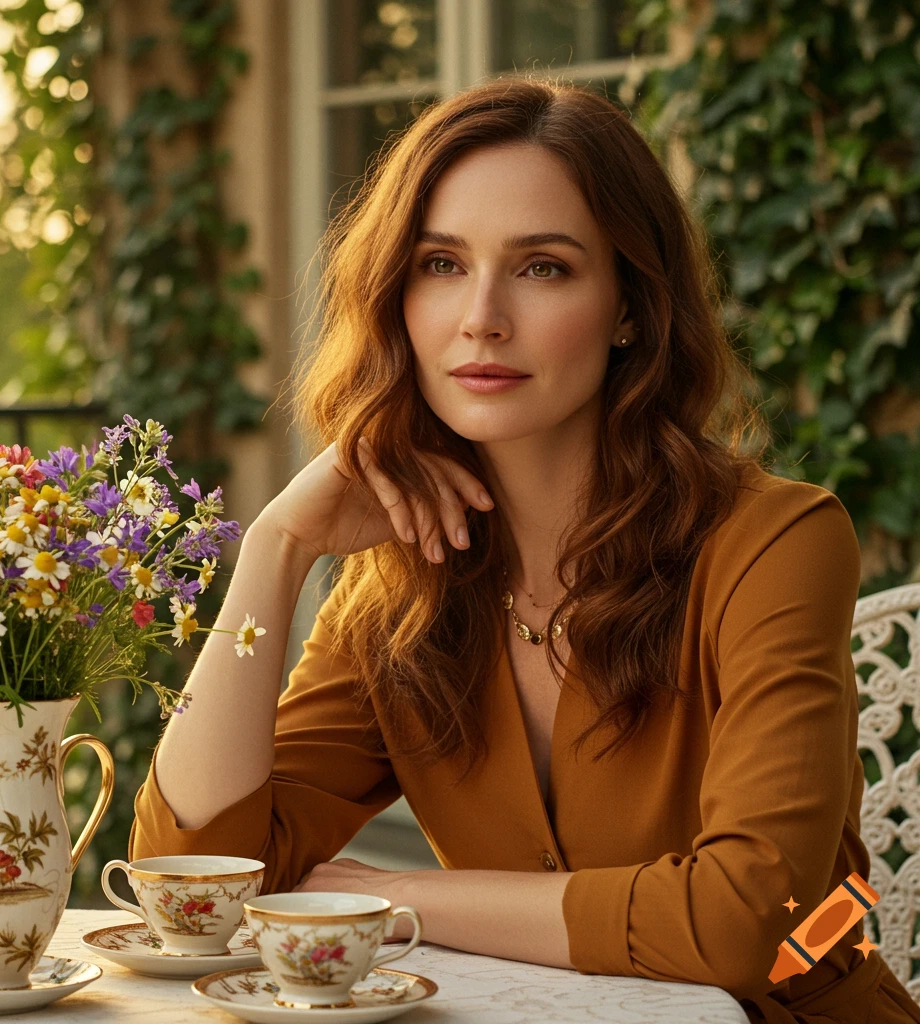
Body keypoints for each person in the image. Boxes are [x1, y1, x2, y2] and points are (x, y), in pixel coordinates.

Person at [129, 77, 920, 1023]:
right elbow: (201, 870)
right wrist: (277, 546)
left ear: (631, 306)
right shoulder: (399, 579)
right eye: (440, 264)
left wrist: (394, 898)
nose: (482, 317)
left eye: (543, 267)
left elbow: (749, 920)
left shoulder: (776, 541)